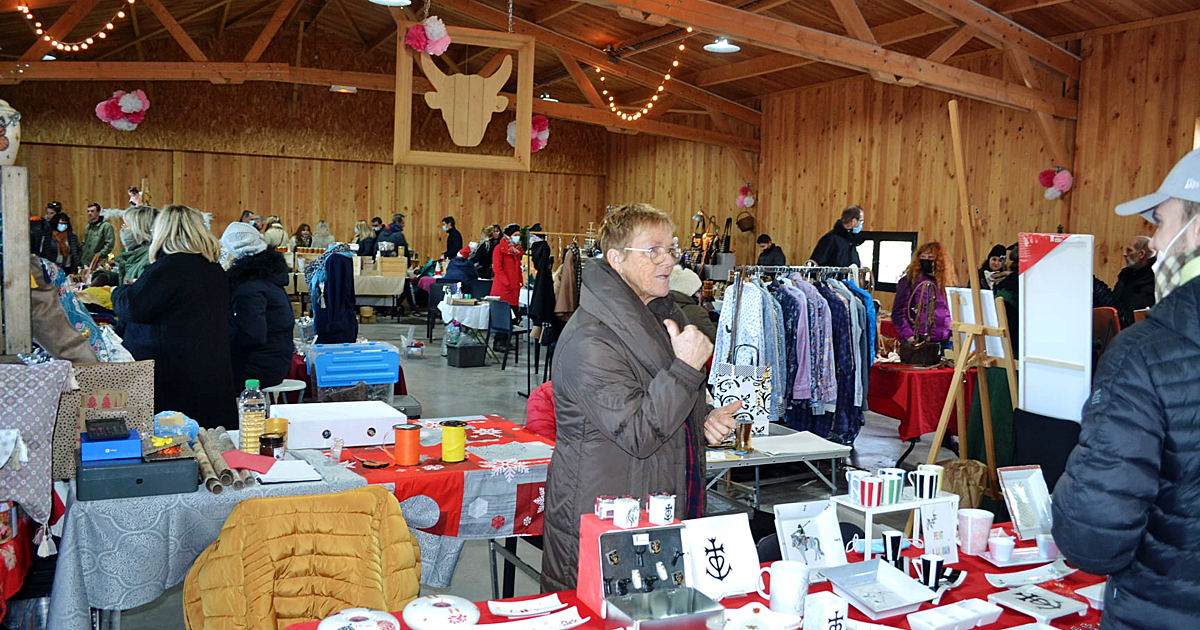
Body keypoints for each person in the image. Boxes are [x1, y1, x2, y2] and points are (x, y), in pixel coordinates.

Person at [542, 204, 741, 592]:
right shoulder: (591, 340)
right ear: (616, 259)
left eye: (672, 248)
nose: (668, 259)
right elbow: (638, 432)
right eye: (653, 250)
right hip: (607, 510)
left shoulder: (659, 317)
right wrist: (686, 369)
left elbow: (659, 402)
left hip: (654, 498)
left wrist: (701, 421)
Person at [1052, 148, 1200, 630]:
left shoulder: (1144, 355)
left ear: (1195, 229)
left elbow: (1093, 537)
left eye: (1161, 221)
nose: (1155, 242)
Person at [111, 205, 237, 428]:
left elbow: (134, 307)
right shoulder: (212, 268)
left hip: (173, 374)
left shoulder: (170, 267)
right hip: (207, 370)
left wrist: (118, 292)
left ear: (162, 231)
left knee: (178, 443)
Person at [221, 222, 295, 389]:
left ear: (235, 252)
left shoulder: (249, 287)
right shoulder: (268, 278)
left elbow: (252, 334)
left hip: (258, 365)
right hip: (275, 359)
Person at [892, 241, 953, 346]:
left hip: (944, 341)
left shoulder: (948, 282)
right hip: (918, 341)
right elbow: (898, 313)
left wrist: (951, 334)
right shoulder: (909, 281)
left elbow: (952, 311)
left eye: (930, 257)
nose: (926, 260)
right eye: (923, 256)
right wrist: (910, 336)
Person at [1112, 235, 1156, 327]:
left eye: (1129, 250)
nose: (1125, 254)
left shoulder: (1155, 277)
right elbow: (1114, 301)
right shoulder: (1126, 274)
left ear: (1141, 254)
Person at [669, 265, 715, 342]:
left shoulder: (664, 306)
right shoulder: (696, 312)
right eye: (698, 291)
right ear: (691, 292)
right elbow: (713, 339)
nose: (701, 295)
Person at [114, 204, 157, 284]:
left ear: (139, 230)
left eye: (126, 226)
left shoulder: (147, 261)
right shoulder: (136, 256)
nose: (122, 229)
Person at [489, 223, 524, 306]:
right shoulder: (499, 249)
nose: (517, 237)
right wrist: (506, 283)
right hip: (503, 288)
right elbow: (497, 268)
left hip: (514, 289)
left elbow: (518, 268)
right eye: (515, 235)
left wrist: (520, 281)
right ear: (509, 236)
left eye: (518, 235)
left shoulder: (517, 251)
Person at [81, 203, 115, 268]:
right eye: (88, 211)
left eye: (92, 211)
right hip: (86, 261)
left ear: (98, 212)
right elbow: (84, 243)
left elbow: (110, 244)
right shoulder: (88, 227)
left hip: (99, 262)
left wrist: (100, 254)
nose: (89, 213)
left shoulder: (106, 226)